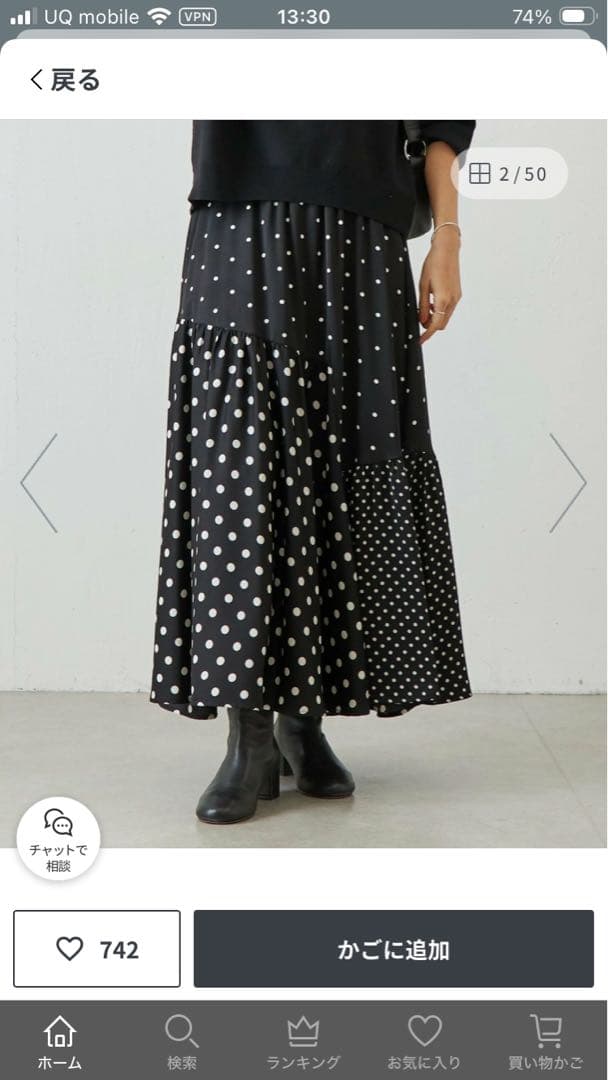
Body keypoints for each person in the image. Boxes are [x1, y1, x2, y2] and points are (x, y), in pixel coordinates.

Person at [150, 120, 474, 824]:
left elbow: (445, 114)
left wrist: (447, 237)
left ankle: (303, 721)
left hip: (364, 226)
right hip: (240, 214)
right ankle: (250, 736)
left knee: (350, 461)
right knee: (243, 470)